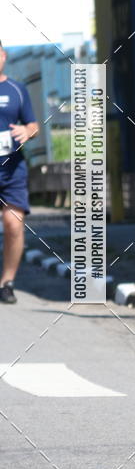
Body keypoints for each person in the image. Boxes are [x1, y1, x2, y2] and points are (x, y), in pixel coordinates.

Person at [0, 40, 39, 304]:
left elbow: (34, 125)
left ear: (3, 56)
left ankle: (7, 282)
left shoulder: (17, 89)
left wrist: (28, 131)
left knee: (13, 224)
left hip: (11, 169)